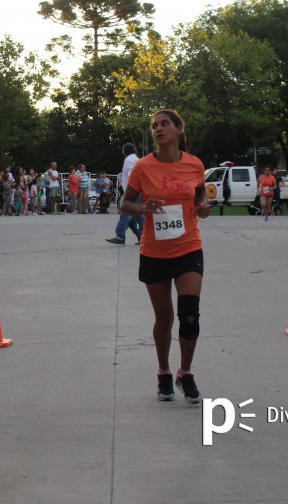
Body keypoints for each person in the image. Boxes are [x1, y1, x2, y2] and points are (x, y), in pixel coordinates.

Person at [120, 109, 209, 404]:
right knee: (164, 317)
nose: (158, 129)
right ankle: (163, 371)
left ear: (179, 129)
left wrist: (203, 203)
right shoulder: (143, 167)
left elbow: (198, 194)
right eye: (154, 125)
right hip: (155, 250)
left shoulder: (194, 164)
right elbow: (125, 203)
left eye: (165, 124)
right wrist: (143, 209)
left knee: (189, 314)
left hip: (188, 246)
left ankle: (186, 372)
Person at [107, 144, 143, 244]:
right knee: (139, 215)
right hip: (138, 191)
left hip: (131, 191)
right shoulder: (138, 159)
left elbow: (132, 175)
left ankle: (120, 236)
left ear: (124, 151)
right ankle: (143, 238)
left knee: (126, 212)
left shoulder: (129, 160)